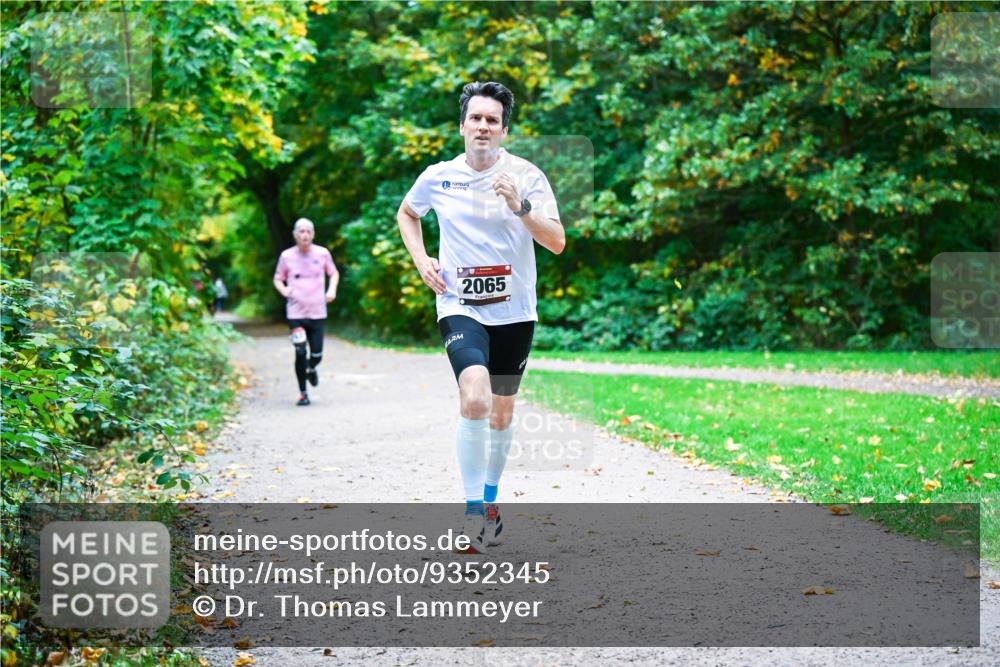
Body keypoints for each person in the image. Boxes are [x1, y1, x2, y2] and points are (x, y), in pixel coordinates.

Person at [397, 81, 564, 553]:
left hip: (515, 312)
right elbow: (407, 214)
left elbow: (556, 241)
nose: (484, 126)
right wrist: (421, 258)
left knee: (502, 411)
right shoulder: (438, 176)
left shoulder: (527, 176)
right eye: (477, 118)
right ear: (462, 126)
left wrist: (520, 206)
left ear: (504, 129)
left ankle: (491, 502)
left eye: (493, 120)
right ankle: (473, 512)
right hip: (459, 304)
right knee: (474, 397)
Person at [273, 218, 339, 406]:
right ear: (295, 235)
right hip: (296, 314)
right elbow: (278, 278)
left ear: (313, 234)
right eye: (301, 231)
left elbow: (333, 273)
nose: (305, 235)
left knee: (316, 355)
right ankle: (303, 393)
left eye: (308, 231)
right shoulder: (286, 256)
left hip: (317, 312)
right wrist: (284, 290)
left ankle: (312, 368)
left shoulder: (322, 253)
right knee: (300, 351)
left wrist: (331, 290)